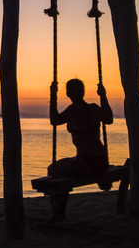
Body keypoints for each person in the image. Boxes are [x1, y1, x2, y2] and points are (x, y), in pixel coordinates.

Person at [47, 78, 114, 221]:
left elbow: (54, 120)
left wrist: (52, 96)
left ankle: (58, 213)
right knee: (70, 162)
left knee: (53, 169)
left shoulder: (74, 109)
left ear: (67, 93)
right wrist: (103, 96)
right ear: (83, 92)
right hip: (102, 160)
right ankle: (102, 179)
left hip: (86, 163)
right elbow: (109, 119)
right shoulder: (94, 108)